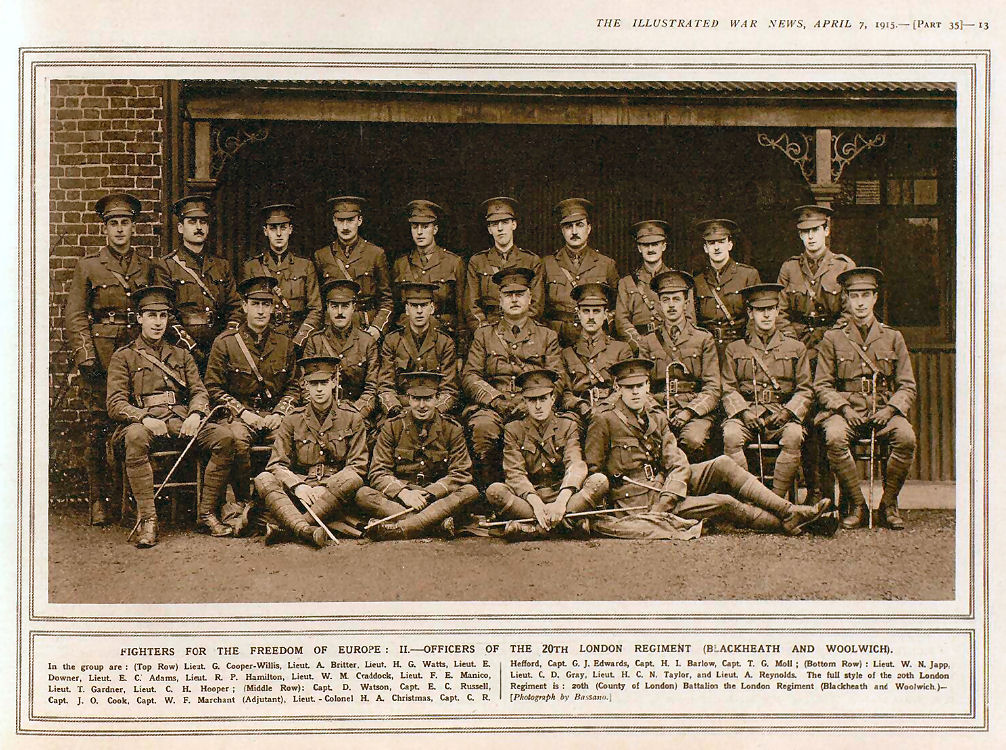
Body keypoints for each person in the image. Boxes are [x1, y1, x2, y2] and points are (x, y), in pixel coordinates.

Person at [585, 358, 829, 535]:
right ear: (618, 389)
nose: (636, 392)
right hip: (639, 502)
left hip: (666, 488)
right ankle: (792, 519)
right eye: (629, 387)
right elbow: (595, 470)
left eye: (640, 386)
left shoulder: (654, 415)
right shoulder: (604, 419)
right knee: (724, 502)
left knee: (723, 463)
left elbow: (677, 459)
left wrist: (670, 492)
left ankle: (789, 511)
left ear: (648, 386)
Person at [63, 192, 166, 525]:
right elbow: (76, 314)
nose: (119, 229)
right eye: (113, 224)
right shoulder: (89, 266)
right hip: (103, 357)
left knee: (135, 424)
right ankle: (98, 499)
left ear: (133, 227)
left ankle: (131, 501)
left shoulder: (147, 266)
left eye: (125, 223)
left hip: (138, 358)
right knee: (98, 427)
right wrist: (86, 355)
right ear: (104, 229)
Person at [106, 285, 235, 548]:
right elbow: (115, 402)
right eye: (151, 315)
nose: (157, 322)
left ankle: (207, 512)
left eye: (162, 316)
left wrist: (197, 414)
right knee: (135, 437)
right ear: (139, 318)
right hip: (144, 424)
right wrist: (143, 418)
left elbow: (199, 391)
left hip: (180, 420)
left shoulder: (181, 354)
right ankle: (148, 520)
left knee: (224, 437)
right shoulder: (124, 356)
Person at [815, 268, 917, 530]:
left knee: (906, 437)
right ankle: (857, 504)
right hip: (847, 412)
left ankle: (889, 505)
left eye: (865, 295)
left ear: (875, 298)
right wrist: (844, 408)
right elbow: (822, 385)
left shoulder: (893, 337)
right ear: (846, 300)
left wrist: (892, 409)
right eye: (854, 296)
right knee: (835, 437)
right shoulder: (833, 338)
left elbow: (907, 386)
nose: (860, 302)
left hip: (882, 411)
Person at [202, 276, 300, 536]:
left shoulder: (284, 343)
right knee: (235, 440)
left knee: (287, 438)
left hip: (273, 414)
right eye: (255, 304)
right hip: (239, 415)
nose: (260, 311)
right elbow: (213, 388)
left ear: (273, 308)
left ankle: (279, 505)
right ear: (244, 306)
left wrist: (280, 413)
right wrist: (243, 413)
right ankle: (242, 502)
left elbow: (294, 386)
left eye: (266, 305)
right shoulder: (225, 343)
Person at [777, 203, 857, 504]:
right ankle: (813, 492)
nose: (810, 237)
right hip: (799, 354)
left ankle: (838, 494)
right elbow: (781, 313)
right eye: (804, 232)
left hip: (831, 353)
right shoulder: (789, 268)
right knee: (803, 421)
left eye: (815, 231)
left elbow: (848, 314)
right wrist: (798, 346)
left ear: (827, 230)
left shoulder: (842, 266)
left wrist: (824, 343)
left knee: (829, 421)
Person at [461, 267, 563, 490]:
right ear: (500, 300)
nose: (514, 299)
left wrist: (530, 402)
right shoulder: (484, 334)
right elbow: (470, 375)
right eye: (508, 295)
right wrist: (496, 400)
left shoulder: (546, 335)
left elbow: (559, 378)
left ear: (530, 298)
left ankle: (544, 491)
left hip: (534, 405)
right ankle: (491, 495)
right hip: (496, 407)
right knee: (482, 426)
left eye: (519, 294)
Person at [253, 356, 367, 547]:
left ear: (333, 383)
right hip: (303, 491)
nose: (319, 389)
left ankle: (293, 528)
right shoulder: (292, 419)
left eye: (323, 382)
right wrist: (298, 486)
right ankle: (308, 529)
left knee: (354, 480)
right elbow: (277, 464)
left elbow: (357, 466)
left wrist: (327, 487)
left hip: (334, 492)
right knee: (263, 478)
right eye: (313, 384)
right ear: (306, 386)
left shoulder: (352, 418)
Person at [486, 369, 609, 540]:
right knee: (495, 491)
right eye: (532, 400)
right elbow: (515, 473)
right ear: (524, 401)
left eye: (543, 399)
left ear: (552, 399)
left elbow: (575, 464)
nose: (538, 406)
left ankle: (532, 529)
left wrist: (560, 502)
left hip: (562, 495)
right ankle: (567, 525)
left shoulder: (568, 425)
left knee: (599, 481)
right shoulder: (513, 430)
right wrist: (536, 504)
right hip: (529, 499)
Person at [359, 372, 479, 540]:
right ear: (408, 398)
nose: (422, 405)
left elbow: (461, 473)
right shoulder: (392, 427)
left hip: (437, 500)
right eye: (416, 399)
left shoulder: (452, 429)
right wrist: (404, 494)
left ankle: (403, 527)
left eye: (428, 399)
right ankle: (435, 525)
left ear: (437, 399)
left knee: (469, 491)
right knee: (363, 494)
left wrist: (430, 493)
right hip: (402, 500)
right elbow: (378, 472)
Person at [721, 283, 813, 498]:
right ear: (750, 313)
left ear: (777, 311)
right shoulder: (735, 349)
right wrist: (743, 412)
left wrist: (787, 413)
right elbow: (728, 388)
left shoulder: (795, 348)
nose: (766, 315)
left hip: (780, 413)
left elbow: (805, 389)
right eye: (760, 310)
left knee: (794, 434)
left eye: (770, 309)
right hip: (746, 415)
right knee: (731, 435)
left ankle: (776, 501)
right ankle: (746, 499)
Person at [637, 270, 721, 462]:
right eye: (666, 300)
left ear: (686, 302)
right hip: (659, 408)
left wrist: (689, 411)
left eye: (676, 299)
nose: (671, 305)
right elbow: (642, 385)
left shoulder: (703, 338)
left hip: (694, 411)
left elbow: (713, 388)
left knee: (692, 440)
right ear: (659, 304)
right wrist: (657, 413)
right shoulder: (648, 341)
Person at [161, 195, 242, 369]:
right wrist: (192, 348)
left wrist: (224, 343)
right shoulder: (167, 266)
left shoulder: (222, 265)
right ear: (181, 228)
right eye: (192, 222)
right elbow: (165, 313)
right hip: (181, 351)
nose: (199, 227)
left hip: (219, 351)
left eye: (203, 222)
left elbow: (235, 307)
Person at [242, 203, 322, 350]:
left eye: (283, 228)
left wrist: (299, 339)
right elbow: (245, 309)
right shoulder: (252, 267)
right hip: (263, 340)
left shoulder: (305, 266)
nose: (279, 234)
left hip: (296, 339)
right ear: (265, 231)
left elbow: (316, 309)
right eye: (273, 228)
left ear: (290, 230)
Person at [312, 196, 393, 340]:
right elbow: (318, 303)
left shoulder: (375, 254)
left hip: (366, 327)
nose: (345, 227)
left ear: (359, 221)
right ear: (334, 221)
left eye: (350, 220)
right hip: (332, 330)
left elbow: (386, 300)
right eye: (340, 221)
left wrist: (377, 328)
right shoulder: (322, 255)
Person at [302, 279, 379, 431]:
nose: (339, 312)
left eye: (345, 306)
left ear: (353, 308)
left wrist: (354, 414)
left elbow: (372, 388)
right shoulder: (315, 342)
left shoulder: (367, 342)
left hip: (357, 416)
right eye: (334, 306)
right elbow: (304, 385)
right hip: (321, 415)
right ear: (327, 309)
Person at [541, 198, 619, 347]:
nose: (574, 231)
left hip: (596, 341)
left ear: (589, 228)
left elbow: (617, 307)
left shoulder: (606, 264)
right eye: (569, 226)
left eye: (579, 225)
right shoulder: (547, 264)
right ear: (562, 230)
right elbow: (539, 309)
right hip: (558, 340)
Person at [376, 282, 459, 418]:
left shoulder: (444, 343)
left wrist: (432, 412)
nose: (419, 311)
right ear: (407, 309)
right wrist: (396, 410)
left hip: (435, 412)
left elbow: (449, 390)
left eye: (424, 305)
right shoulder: (392, 341)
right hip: (400, 411)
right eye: (414, 306)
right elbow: (386, 387)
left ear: (432, 308)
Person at [464, 196, 544, 334]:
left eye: (505, 222)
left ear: (514, 225)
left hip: (523, 331)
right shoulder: (477, 261)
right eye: (494, 224)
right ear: (489, 229)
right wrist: (487, 333)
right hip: (488, 331)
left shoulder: (531, 261)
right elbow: (472, 306)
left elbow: (536, 305)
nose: (500, 228)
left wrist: (517, 330)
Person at [559, 282, 632, 426]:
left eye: (596, 311)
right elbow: (565, 393)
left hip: (613, 412)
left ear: (605, 314)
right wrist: (581, 406)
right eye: (586, 311)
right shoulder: (567, 353)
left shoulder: (621, 349)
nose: (591, 317)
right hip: (578, 415)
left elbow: (625, 388)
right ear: (578, 314)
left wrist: (604, 407)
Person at [392, 200, 466, 341]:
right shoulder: (401, 264)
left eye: (425, 226)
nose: (419, 232)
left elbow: (461, 311)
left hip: (444, 336)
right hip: (409, 338)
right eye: (415, 226)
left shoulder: (453, 263)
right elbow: (396, 308)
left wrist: (461, 351)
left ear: (435, 229)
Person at [691, 218, 761, 359]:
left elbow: (755, 319)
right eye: (711, 243)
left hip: (740, 348)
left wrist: (748, 349)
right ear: (705, 248)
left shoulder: (747, 275)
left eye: (721, 242)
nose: (716, 247)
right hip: (707, 350)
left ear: (730, 245)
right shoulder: (697, 281)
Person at [614, 219, 674, 353]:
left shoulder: (677, 280)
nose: (651, 249)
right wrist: (641, 345)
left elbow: (689, 318)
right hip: (640, 348)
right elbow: (621, 321)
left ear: (664, 246)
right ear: (639, 248)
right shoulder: (626, 283)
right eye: (645, 245)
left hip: (671, 346)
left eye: (655, 244)